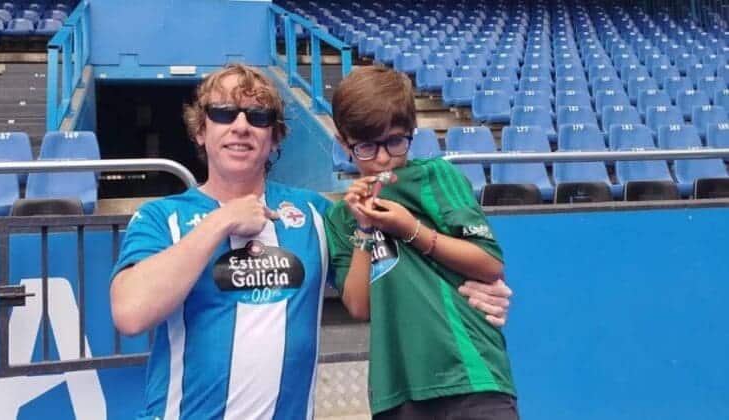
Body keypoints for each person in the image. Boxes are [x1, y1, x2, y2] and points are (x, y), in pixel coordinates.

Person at [109, 63, 513, 419]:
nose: (241, 125)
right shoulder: (162, 217)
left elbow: (382, 280)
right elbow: (130, 313)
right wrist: (220, 221)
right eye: (223, 112)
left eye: (258, 116)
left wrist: (484, 289)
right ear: (201, 130)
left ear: (275, 137)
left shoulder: (317, 214)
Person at [324, 65, 519, 419]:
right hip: (395, 389)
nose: (383, 158)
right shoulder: (341, 218)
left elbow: (490, 264)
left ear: (412, 132)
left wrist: (410, 228)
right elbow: (359, 306)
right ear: (343, 143)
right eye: (365, 146)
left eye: (395, 141)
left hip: (469, 375)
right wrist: (364, 229)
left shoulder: (437, 175)